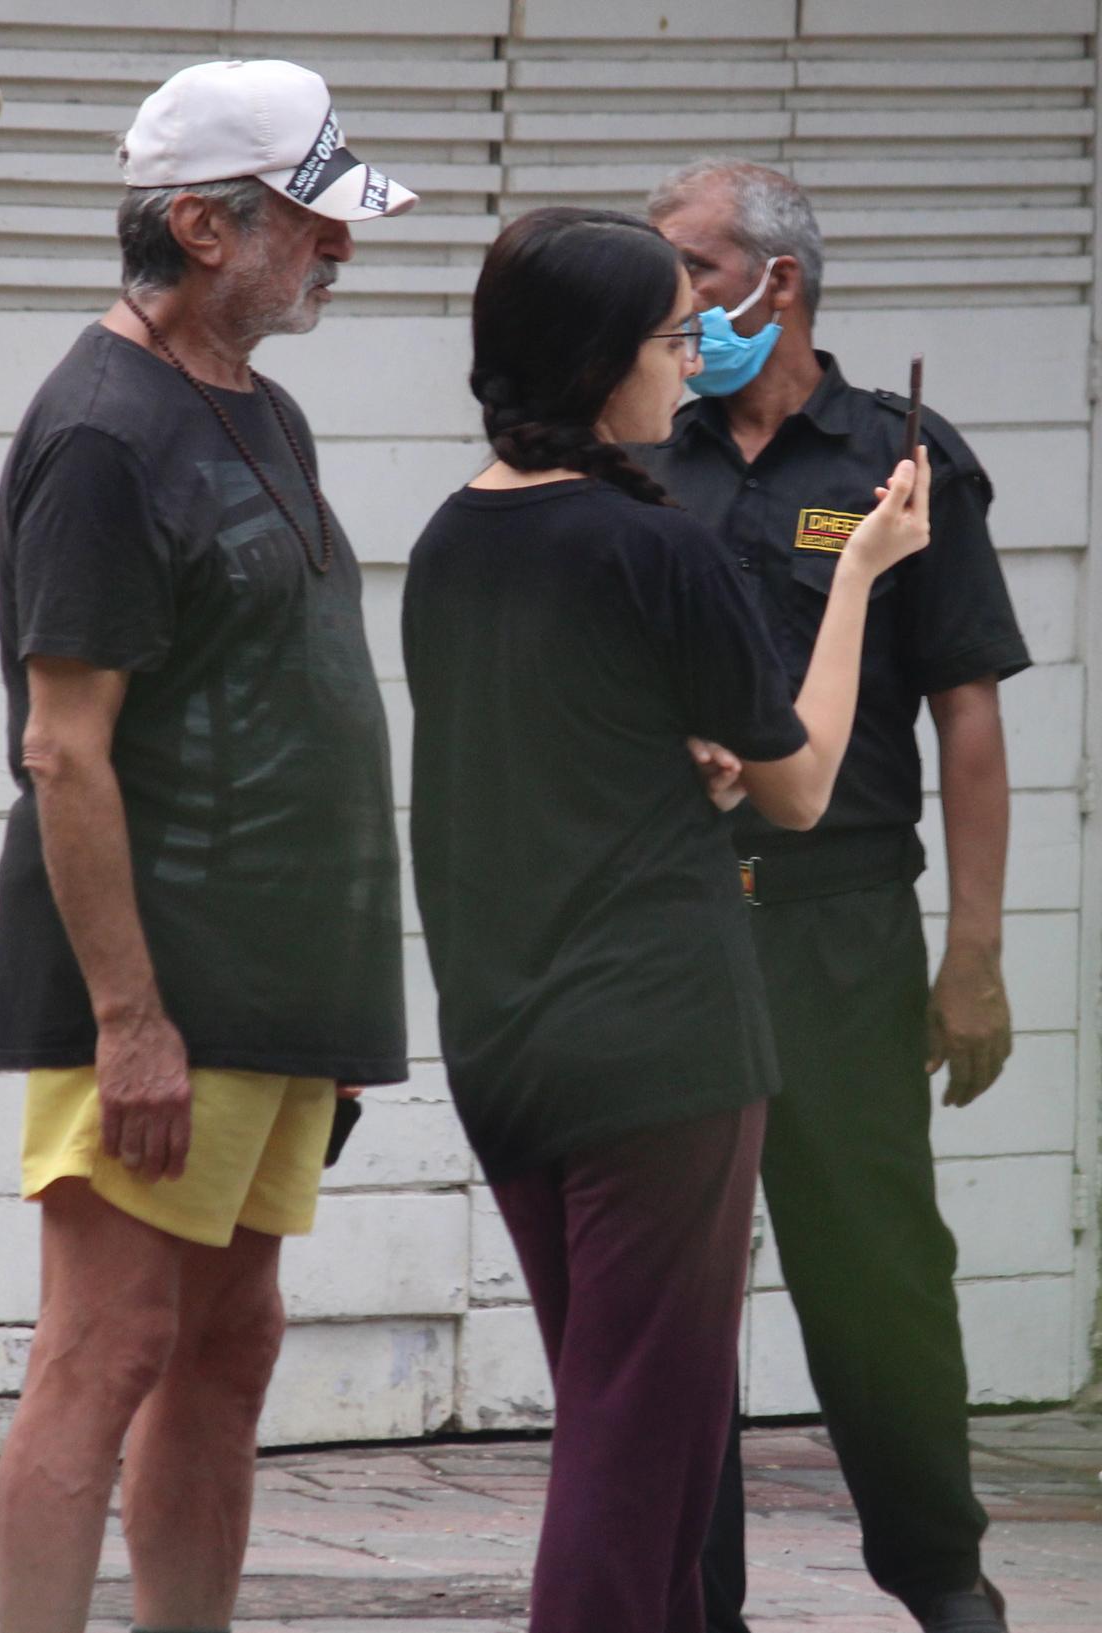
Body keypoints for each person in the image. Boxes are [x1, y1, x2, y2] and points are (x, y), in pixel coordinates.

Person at [402, 205, 930, 1633]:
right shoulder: (655, 543)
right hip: (663, 1044)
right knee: (639, 1461)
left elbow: (561, 764)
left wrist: (684, 758)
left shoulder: (451, 540)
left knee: (635, 1425)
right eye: (668, 334)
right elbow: (805, 785)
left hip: (506, 1041)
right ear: (598, 360)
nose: (688, 356)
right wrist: (865, 574)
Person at [0, 59, 413, 1633]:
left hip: (275, 985)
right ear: (201, 225)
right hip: (157, 983)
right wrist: (129, 1020)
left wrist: (335, 992)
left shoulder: (262, 407)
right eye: (313, 221)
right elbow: (64, 746)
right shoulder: (102, 433)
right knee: (109, 1347)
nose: (340, 252)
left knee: (233, 1341)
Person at [639, 159, 1030, 1633]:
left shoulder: (901, 460)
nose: (666, 294)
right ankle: (698, 1595)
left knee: (874, 1265)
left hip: (843, 923)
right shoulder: (645, 454)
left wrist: (975, 956)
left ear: (774, 281)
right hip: (677, 924)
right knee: (677, 1289)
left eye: (684, 263)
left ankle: (941, 1576)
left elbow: (969, 717)